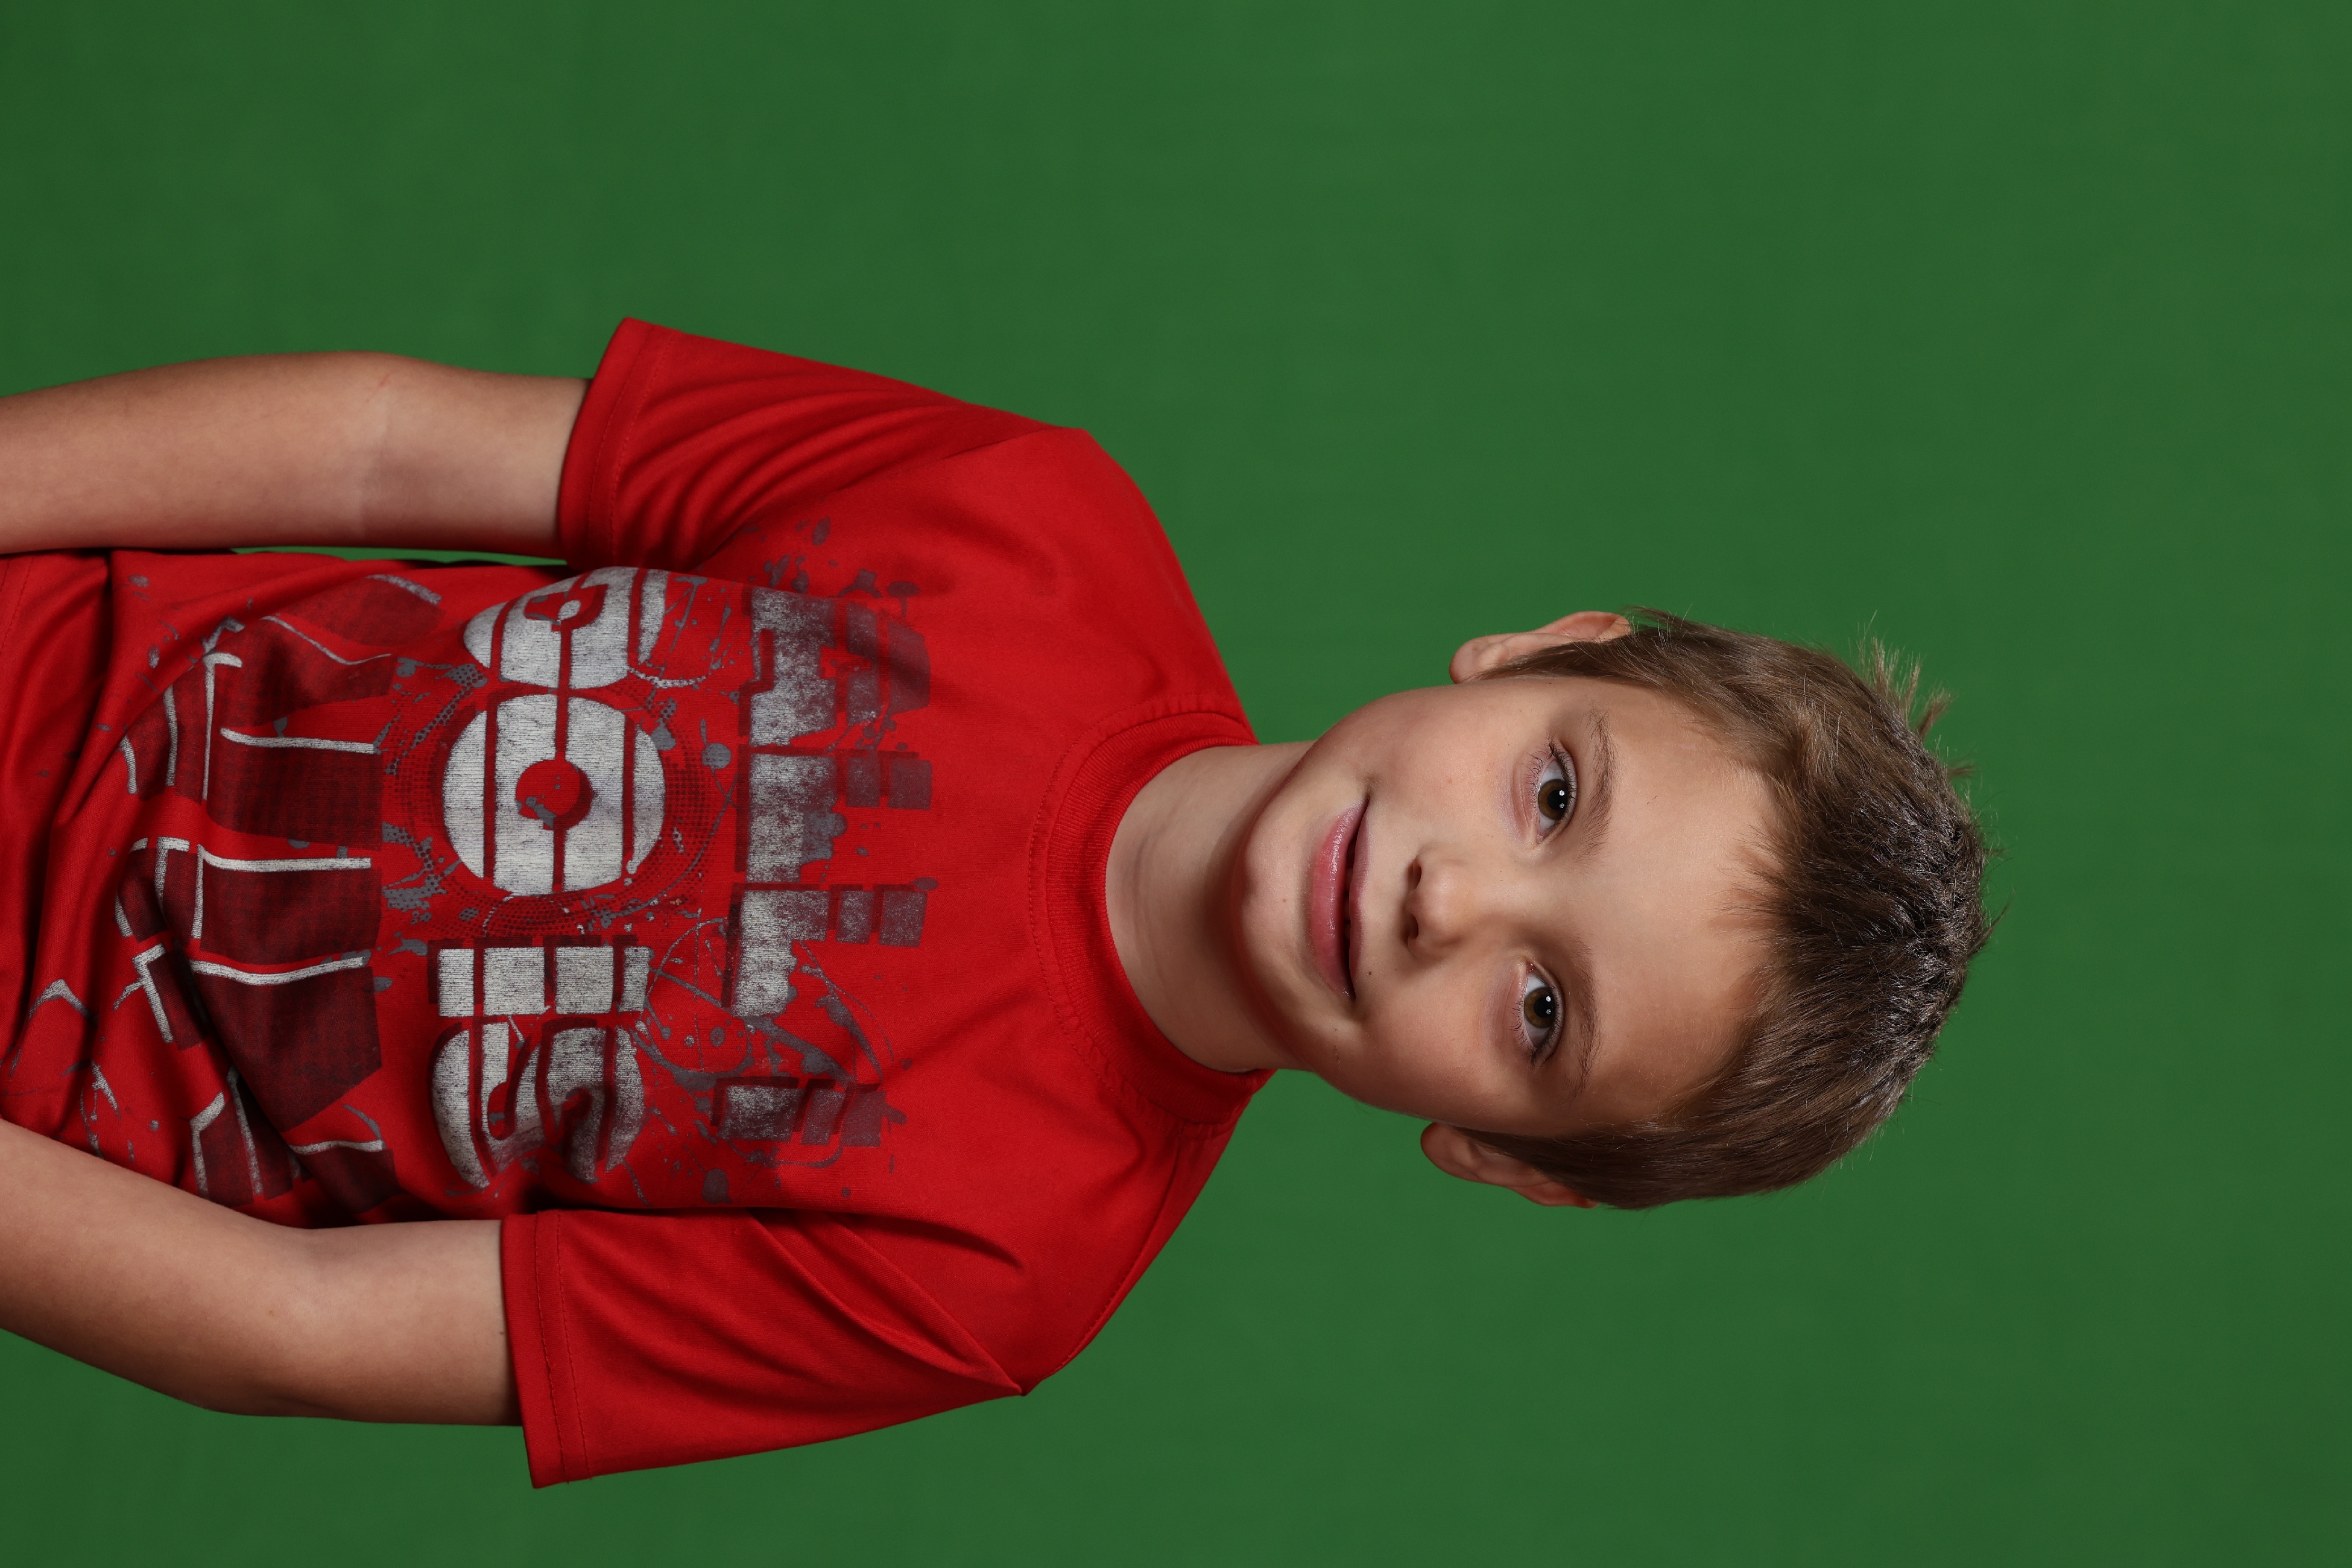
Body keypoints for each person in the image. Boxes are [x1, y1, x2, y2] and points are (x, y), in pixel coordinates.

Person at [0, 321, 1987, 1483]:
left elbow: (296, 1327)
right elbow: (383, 445)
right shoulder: (1032, 521)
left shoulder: (998, 1268)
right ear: (1541, 650)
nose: (1447, 895)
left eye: (1538, 1012)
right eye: (1554, 793)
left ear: (1497, 1158)